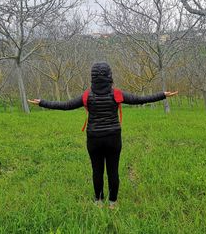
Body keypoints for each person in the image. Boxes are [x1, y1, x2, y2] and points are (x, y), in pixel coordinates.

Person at [28, 62, 178, 209]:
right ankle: (113, 202)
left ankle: (98, 201)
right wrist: (162, 95)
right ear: (110, 76)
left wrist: (42, 102)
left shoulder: (87, 95)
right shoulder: (117, 94)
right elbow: (140, 99)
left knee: (97, 171)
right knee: (113, 171)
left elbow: (65, 106)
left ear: (92, 77)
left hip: (94, 139)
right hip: (113, 138)